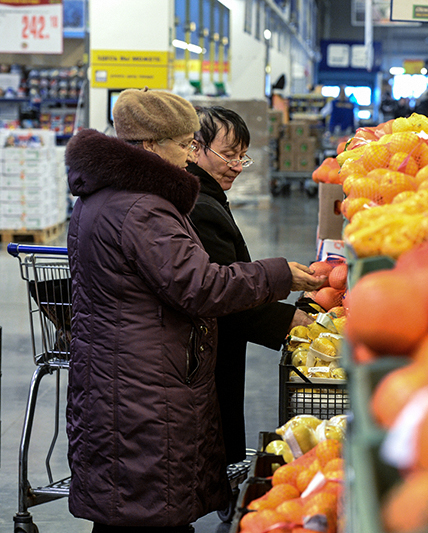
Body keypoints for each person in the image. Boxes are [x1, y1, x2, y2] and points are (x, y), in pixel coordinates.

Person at [64, 88, 325, 530]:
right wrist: (277, 274)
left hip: (120, 377)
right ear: (150, 145)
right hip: (142, 386)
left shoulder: (106, 195)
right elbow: (200, 285)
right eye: (185, 145)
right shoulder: (143, 209)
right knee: (147, 508)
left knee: (127, 507)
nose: (189, 158)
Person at [187, 105, 313, 466]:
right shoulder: (198, 207)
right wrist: (290, 322)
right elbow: (223, 293)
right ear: (193, 148)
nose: (238, 165)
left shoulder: (206, 197)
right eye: (228, 155)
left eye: (243, 156)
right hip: (207, 345)